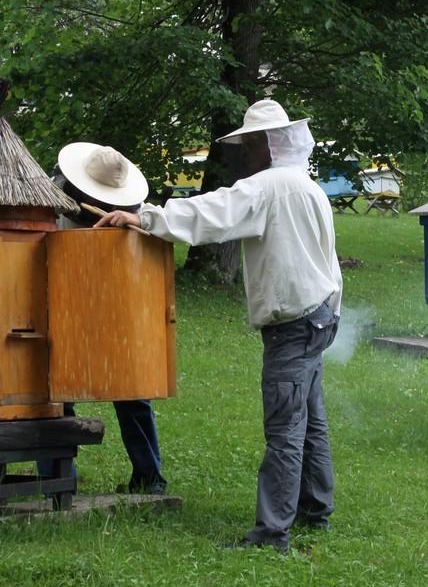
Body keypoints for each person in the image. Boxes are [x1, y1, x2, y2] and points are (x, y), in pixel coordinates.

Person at [95, 100, 342, 553]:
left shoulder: (268, 186)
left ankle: (272, 534)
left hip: (294, 324)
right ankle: (314, 509)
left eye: (249, 144)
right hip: (320, 314)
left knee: (286, 428)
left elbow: (212, 213)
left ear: (268, 145)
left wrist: (145, 217)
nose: (243, 154)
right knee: (311, 421)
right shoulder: (309, 188)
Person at [35, 143, 167, 495]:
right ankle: (57, 480)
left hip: (117, 309)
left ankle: (149, 478)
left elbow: (158, 242)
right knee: (56, 391)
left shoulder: (143, 213)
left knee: (132, 390)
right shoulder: (52, 204)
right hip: (62, 305)